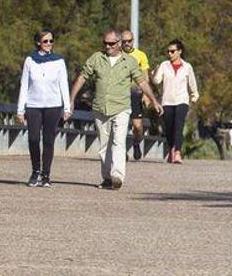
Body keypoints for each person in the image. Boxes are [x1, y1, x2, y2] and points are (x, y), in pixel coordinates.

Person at [69, 29, 163, 190]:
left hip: (121, 108)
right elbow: (83, 77)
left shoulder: (130, 61)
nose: (108, 47)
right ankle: (107, 178)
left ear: (119, 43)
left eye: (112, 43)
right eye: (105, 43)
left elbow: (141, 82)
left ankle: (117, 176)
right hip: (100, 108)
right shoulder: (97, 58)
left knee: (118, 142)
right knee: (104, 144)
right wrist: (71, 99)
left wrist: (153, 100)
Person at [16, 29, 71, 187]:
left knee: (48, 141)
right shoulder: (30, 60)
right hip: (33, 105)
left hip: (53, 106)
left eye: (51, 41)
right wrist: (20, 109)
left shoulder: (59, 61)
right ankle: (35, 171)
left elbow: (64, 85)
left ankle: (46, 175)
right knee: (33, 139)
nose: (49, 44)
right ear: (38, 43)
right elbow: (24, 85)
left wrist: (67, 108)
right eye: (45, 41)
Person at [152, 39, 199, 164]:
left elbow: (192, 83)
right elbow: (157, 81)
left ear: (179, 51)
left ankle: (177, 152)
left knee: (179, 126)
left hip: (182, 100)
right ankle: (171, 149)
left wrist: (194, 96)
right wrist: (155, 72)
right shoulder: (164, 65)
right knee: (169, 128)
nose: (170, 54)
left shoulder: (187, 67)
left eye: (172, 51)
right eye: (168, 51)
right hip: (167, 101)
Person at [121, 30, 150, 160]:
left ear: (133, 41)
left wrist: (146, 94)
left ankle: (136, 142)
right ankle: (121, 151)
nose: (127, 43)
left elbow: (145, 76)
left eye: (129, 41)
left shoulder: (141, 55)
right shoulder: (117, 55)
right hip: (121, 94)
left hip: (135, 93)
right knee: (120, 125)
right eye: (124, 41)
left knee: (138, 126)